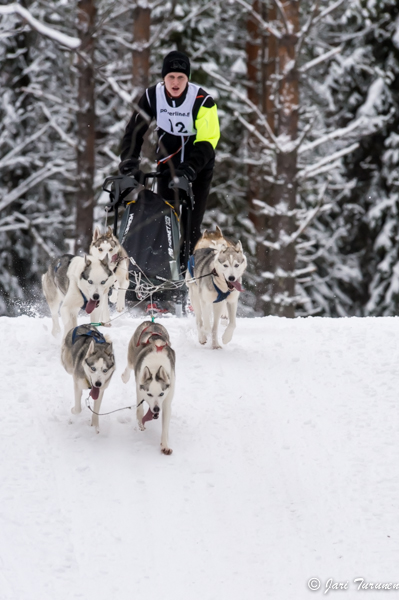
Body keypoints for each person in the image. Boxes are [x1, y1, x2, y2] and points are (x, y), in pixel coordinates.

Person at [118, 50, 220, 268]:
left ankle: (189, 280)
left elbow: (208, 140)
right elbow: (135, 130)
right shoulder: (152, 96)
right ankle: (162, 281)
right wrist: (129, 161)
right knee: (165, 223)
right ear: (163, 78)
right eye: (171, 77)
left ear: (188, 79)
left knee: (191, 226)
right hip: (168, 167)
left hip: (198, 167)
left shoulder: (203, 101)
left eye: (181, 77)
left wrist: (191, 169)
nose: (175, 82)